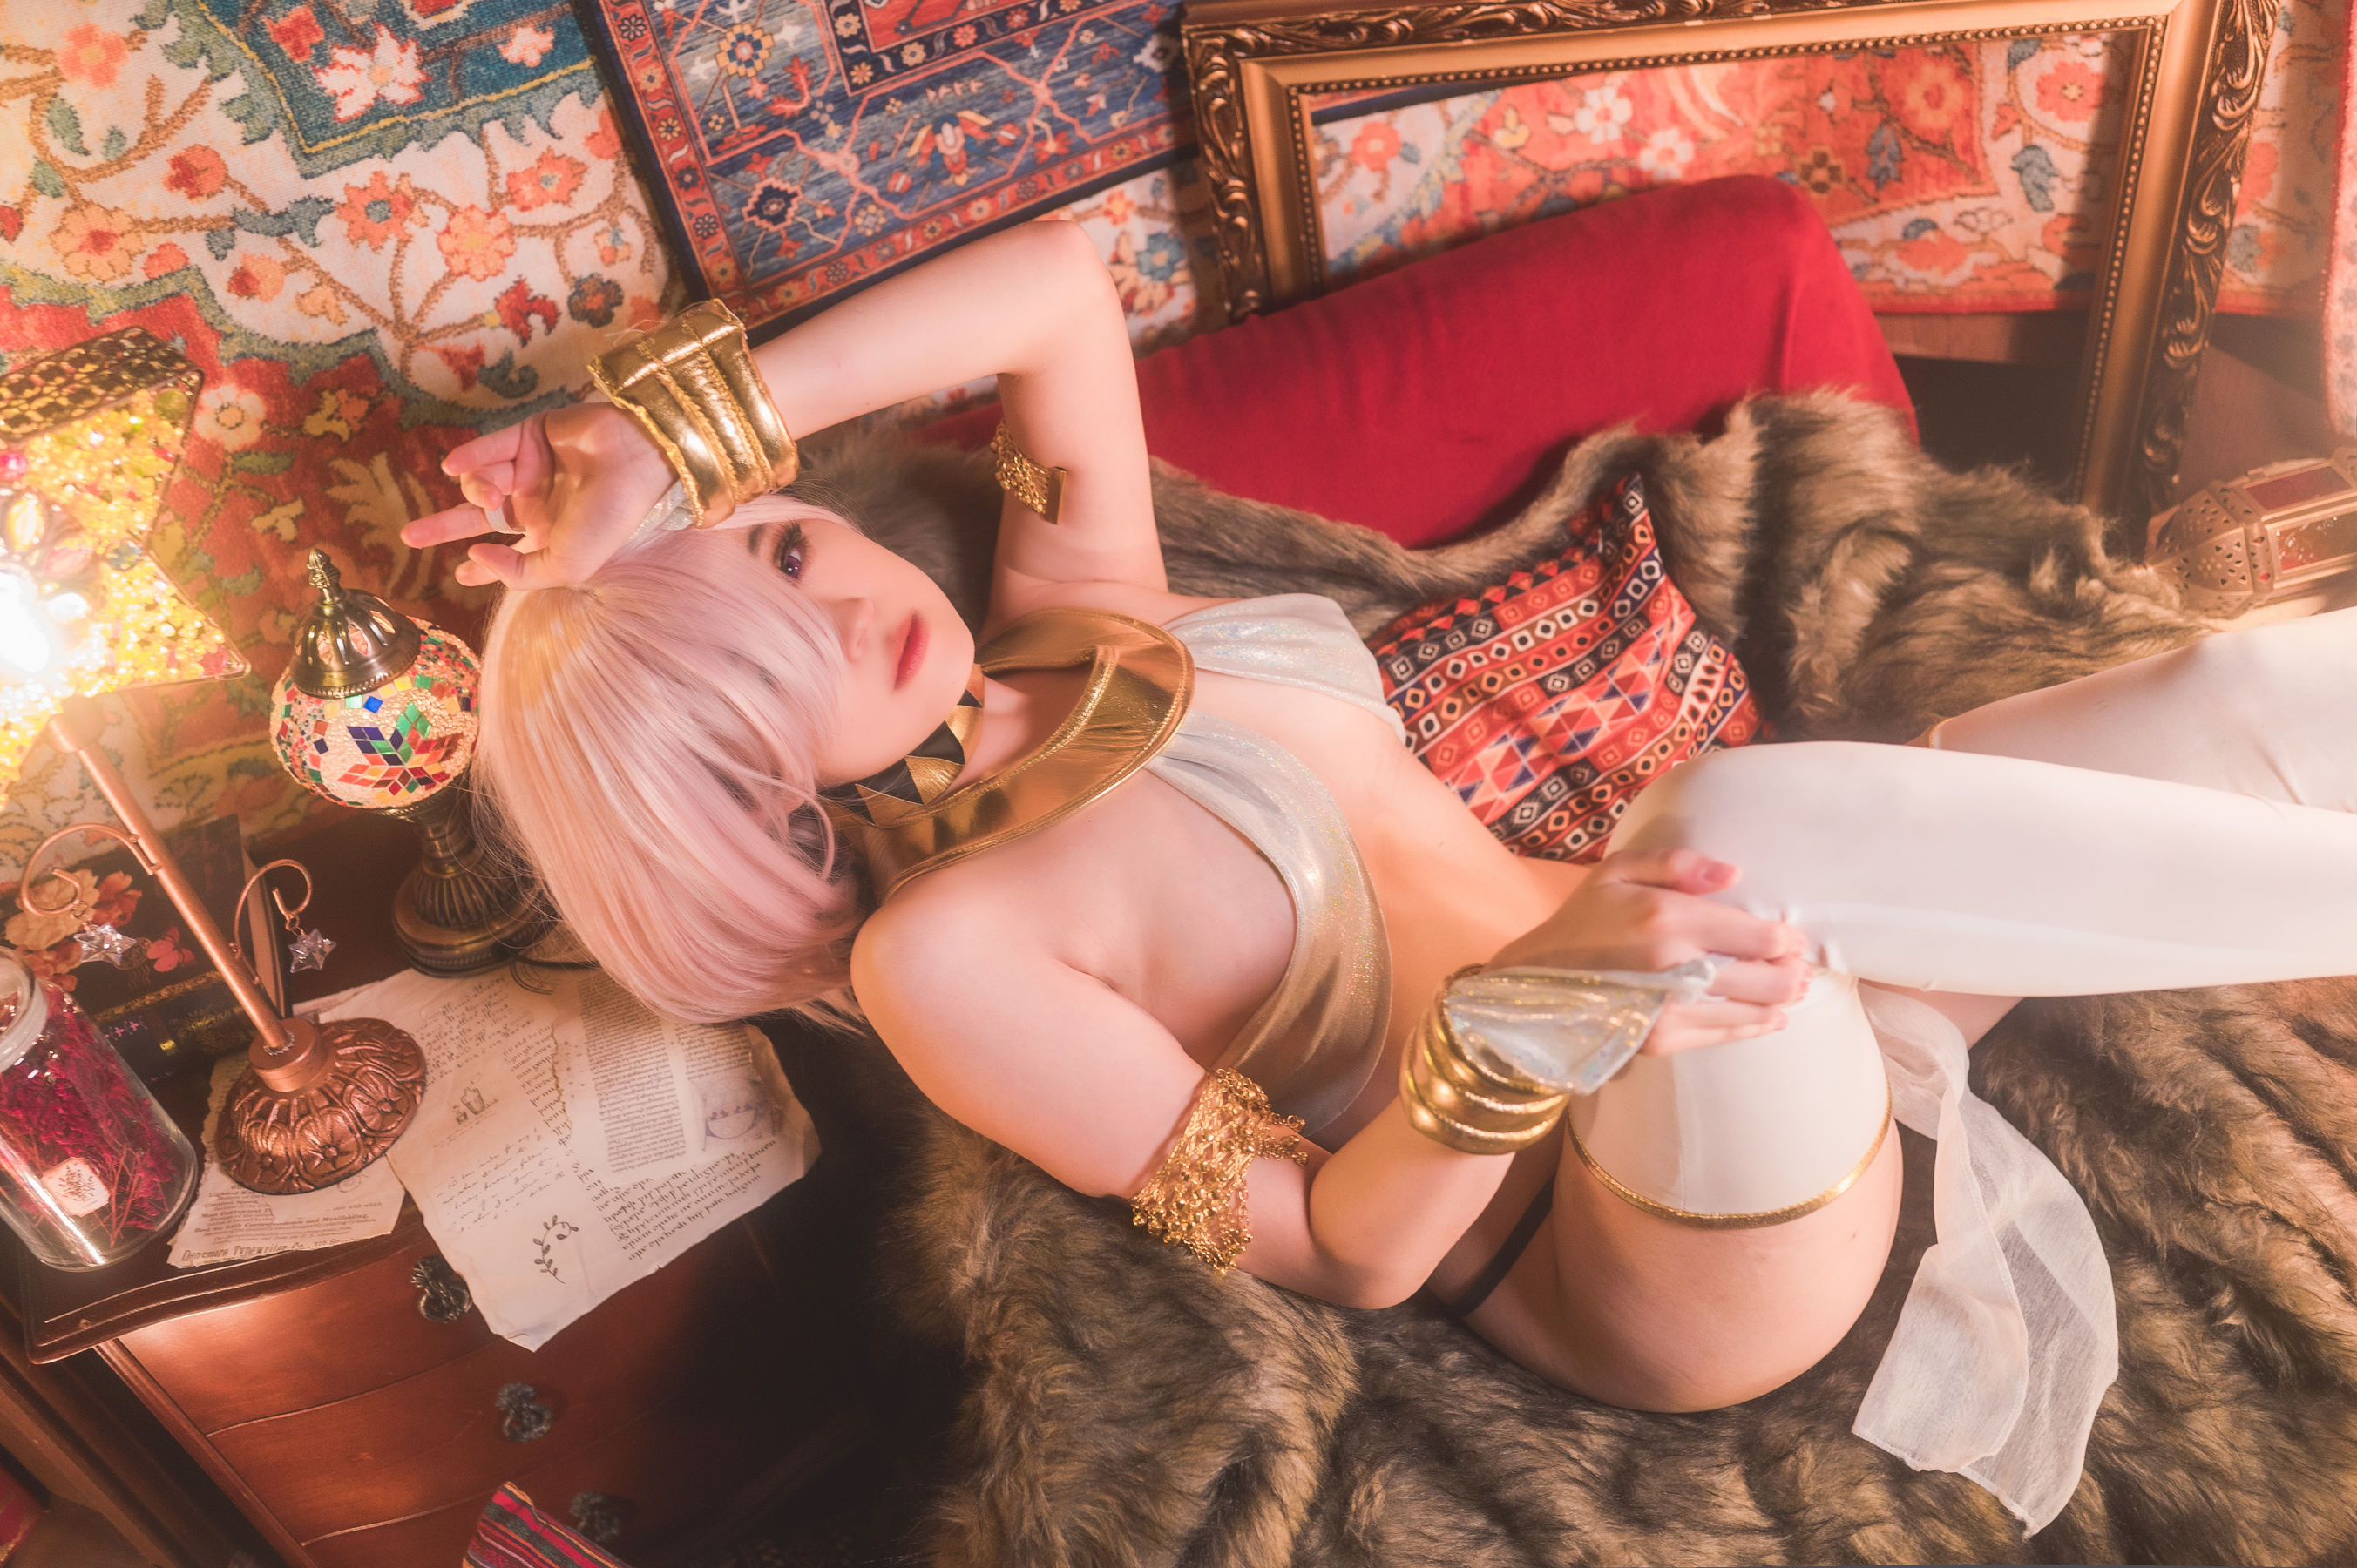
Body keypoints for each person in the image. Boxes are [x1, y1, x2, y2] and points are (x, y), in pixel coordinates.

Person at [403, 196, 2357, 1533]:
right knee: (1723, 827)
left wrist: (664, 439)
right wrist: (1544, 1012)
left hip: (1773, 993)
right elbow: (1350, 1249)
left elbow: (1056, 289)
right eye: (769, 662)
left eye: (785, 546)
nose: (841, 599)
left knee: (2236, 693)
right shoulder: (947, 959)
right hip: (1647, 1246)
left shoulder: (1083, 624)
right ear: (743, 785)